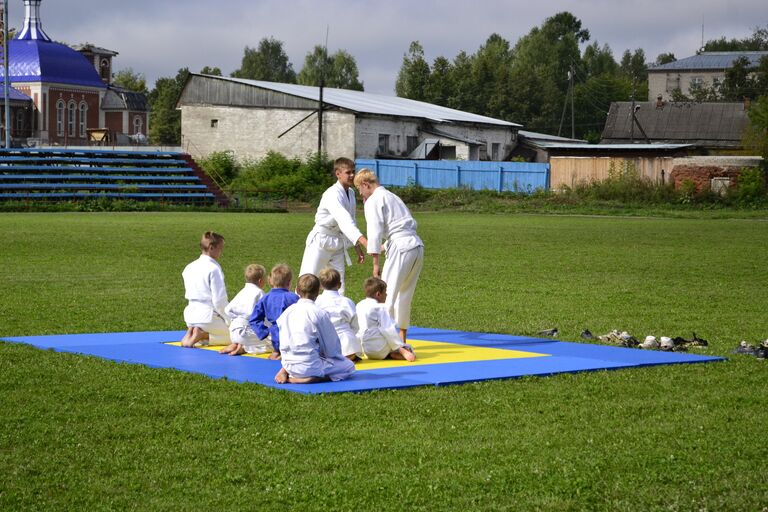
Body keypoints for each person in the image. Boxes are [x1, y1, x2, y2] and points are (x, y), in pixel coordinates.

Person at [353, 168, 424, 344]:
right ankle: (401, 338)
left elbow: (375, 232)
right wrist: (385, 247)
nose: (360, 193)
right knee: (405, 294)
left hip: (401, 247)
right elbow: (400, 228)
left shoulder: (373, 200)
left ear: (365, 184)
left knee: (386, 294)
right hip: (416, 246)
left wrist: (375, 264)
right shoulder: (392, 196)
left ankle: (387, 342)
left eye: (359, 189)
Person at [299, 157, 368, 295]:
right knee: (307, 282)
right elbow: (344, 220)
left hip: (337, 243)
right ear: (338, 173)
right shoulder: (332, 194)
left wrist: (357, 246)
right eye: (348, 172)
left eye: (353, 172)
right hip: (321, 241)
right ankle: (297, 313)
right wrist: (366, 242)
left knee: (338, 287)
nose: (352, 175)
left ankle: (336, 316)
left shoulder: (352, 193)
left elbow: (351, 220)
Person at [274, 274, 357, 384]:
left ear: (297, 290)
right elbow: (332, 348)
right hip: (310, 366)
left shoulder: (286, 313)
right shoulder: (319, 313)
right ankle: (313, 378)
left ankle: (286, 371)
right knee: (349, 366)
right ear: (318, 291)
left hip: (287, 363)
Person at [180, 231, 230, 348]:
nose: (221, 252)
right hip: (208, 318)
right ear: (211, 248)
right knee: (237, 337)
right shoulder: (214, 269)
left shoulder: (189, 267)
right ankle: (202, 336)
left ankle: (192, 332)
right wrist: (229, 320)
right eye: (220, 248)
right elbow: (219, 301)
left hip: (190, 316)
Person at [356, 277, 416, 361]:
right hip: (380, 348)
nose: (386, 295)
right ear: (378, 294)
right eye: (385, 292)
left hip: (366, 350)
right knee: (409, 349)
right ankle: (398, 352)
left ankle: (390, 354)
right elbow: (388, 329)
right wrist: (400, 347)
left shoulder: (359, 305)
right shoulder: (380, 307)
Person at [248, 263, 299, 360]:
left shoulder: (265, 298)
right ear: (289, 282)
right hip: (292, 337)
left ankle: (276, 352)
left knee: (277, 345)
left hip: (275, 336)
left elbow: (254, 319)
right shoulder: (294, 298)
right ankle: (283, 354)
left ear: (271, 281)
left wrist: (264, 332)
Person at [219, 264, 269, 356]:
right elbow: (266, 317)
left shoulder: (242, 292)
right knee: (273, 343)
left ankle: (235, 344)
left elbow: (227, 310)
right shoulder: (260, 293)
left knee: (246, 337)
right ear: (260, 281)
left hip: (233, 332)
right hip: (246, 332)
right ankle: (244, 348)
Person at [315, 267, 362, 361]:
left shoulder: (317, 302)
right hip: (347, 345)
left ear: (320, 286)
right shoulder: (347, 302)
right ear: (339, 285)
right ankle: (344, 359)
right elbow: (355, 325)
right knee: (348, 354)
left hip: (325, 344)